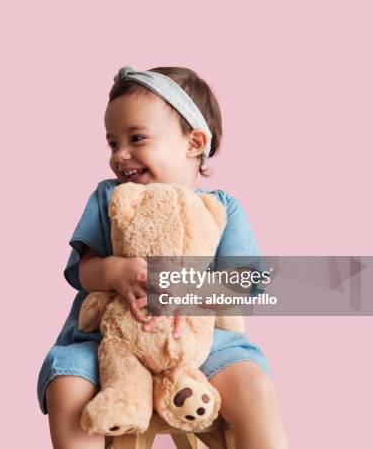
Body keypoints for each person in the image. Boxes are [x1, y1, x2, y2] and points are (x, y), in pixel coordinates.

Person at [37, 65, 289, 449]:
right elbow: (82, 272)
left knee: (253, 384)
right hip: (108, 338)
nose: (121, 155)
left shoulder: (222, 208)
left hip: (201, 341)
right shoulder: (107, 198)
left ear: (193, 143)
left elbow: (245, 283)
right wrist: (112, 270)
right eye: (112, 143)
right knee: (68, 385)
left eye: (136, 138)